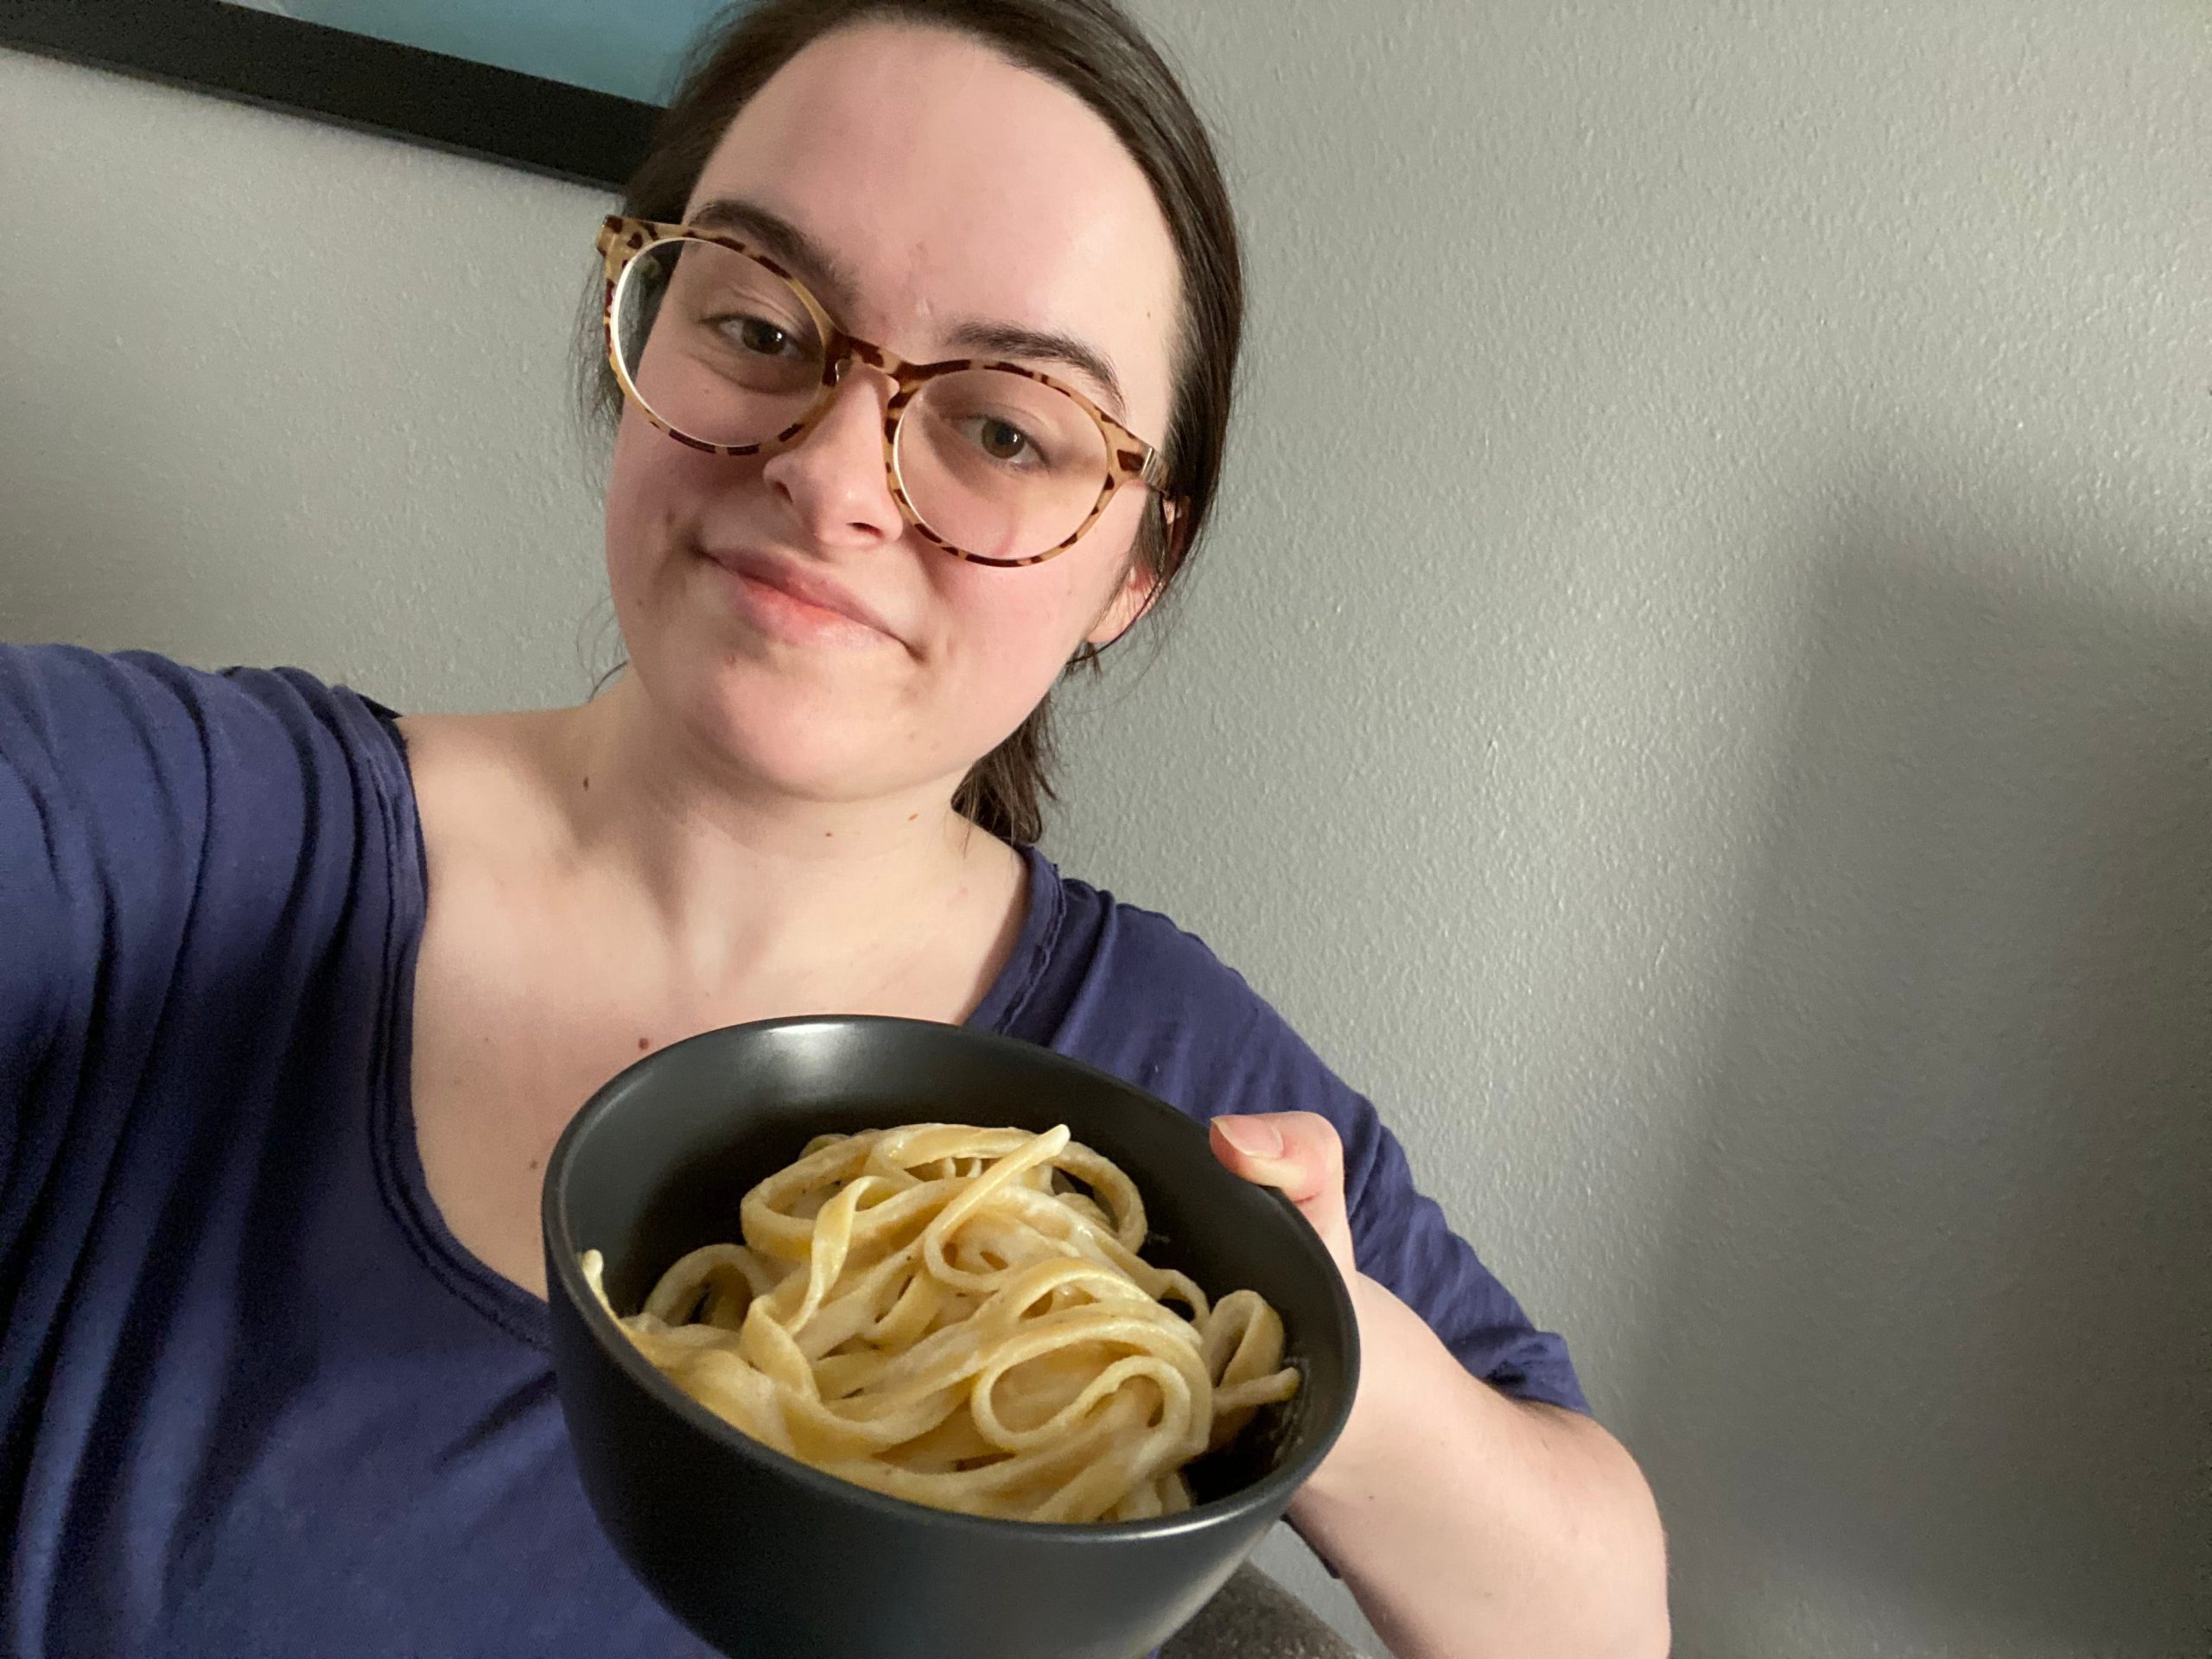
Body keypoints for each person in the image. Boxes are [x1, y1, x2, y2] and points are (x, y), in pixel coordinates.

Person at [0, 0, 1669, 1653]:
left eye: (1007, 427)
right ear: (645, 334)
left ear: (1132, 569)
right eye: (761, 325)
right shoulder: (182, 836)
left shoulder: (1164, 1096)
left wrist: (1315, 1339)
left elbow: (1597, 1625)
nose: (837, 476)